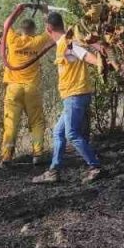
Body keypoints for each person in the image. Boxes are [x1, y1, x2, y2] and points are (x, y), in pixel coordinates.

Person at [32, 11, 102, 184]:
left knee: (71, 133)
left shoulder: (67, 43)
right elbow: (77, 56)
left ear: (48, 28)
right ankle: (54, 171)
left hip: (75, 95)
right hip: (73, 96)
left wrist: (102, 64)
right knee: (58, 132)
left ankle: (95, 166)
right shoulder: (64, 44)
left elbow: (84, 55)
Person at [0, 3, 52, 165]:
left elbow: (7, 23)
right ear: (34, 30)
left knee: (10, 123)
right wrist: (45, 11)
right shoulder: (37, 42)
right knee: (36, 121)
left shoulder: (13, 39)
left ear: (21, 30)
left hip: (13, 88)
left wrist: (18, 8)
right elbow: (50, 29)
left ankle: (7, 156)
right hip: (31, 89)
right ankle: (37, 154)